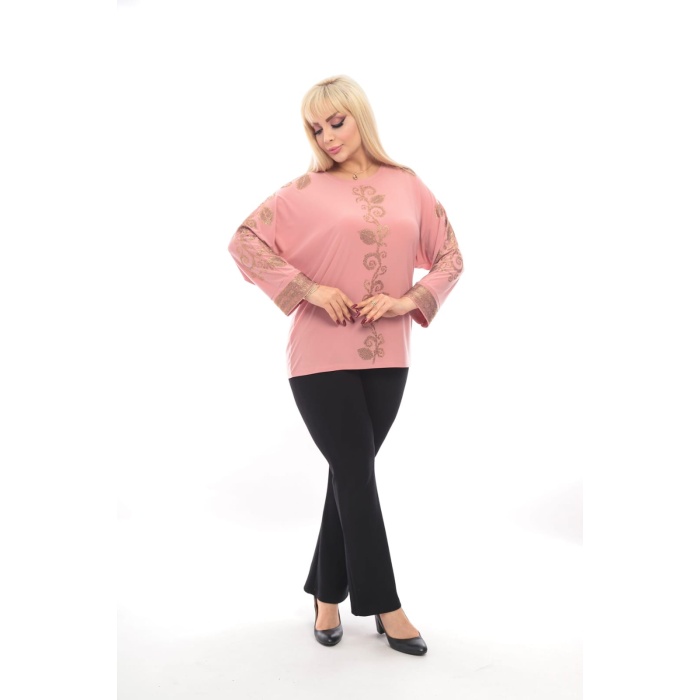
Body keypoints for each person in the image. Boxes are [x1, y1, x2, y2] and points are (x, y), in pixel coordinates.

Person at [227, 75, 462, 656]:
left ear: (360, 116)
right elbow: (244, 241)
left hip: (390, 354)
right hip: (319, 355)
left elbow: (450, 257)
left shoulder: (407, 184)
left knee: (348, 473)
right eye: (316, 128)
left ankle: (325, 594)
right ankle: (386, 605)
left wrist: (408, 301)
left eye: (336, 121)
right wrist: (309, 288)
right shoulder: (303, 191)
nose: (327, 136)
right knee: (357, 473)